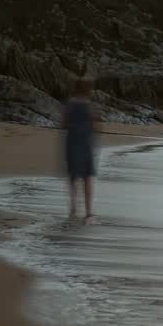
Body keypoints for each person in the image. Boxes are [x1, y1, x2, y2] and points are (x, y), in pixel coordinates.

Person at [62, 77, 98, 223]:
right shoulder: (89, 105)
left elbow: (64, 123)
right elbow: (95, 125)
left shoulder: (70, 104)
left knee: (73, 177)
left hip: (72, 143)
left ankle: (73, 208)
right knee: (87, 177)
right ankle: (89, 212)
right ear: (88, 90)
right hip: (85, 145)